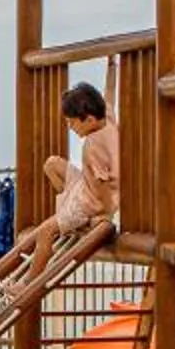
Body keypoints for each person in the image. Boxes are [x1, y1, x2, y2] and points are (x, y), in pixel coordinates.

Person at [43, 79, 121, 237]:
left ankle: (78, 218)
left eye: (72, 122)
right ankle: (70, 207)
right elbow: (110, 93)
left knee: (45, 233)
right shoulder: (108, 119)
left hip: (91, 203)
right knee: (51, 164)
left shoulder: (92, 146)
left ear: (90, 120)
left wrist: (106, 215)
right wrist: (112, 63)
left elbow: (102, 185)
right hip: (86, 188)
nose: (70, 127)